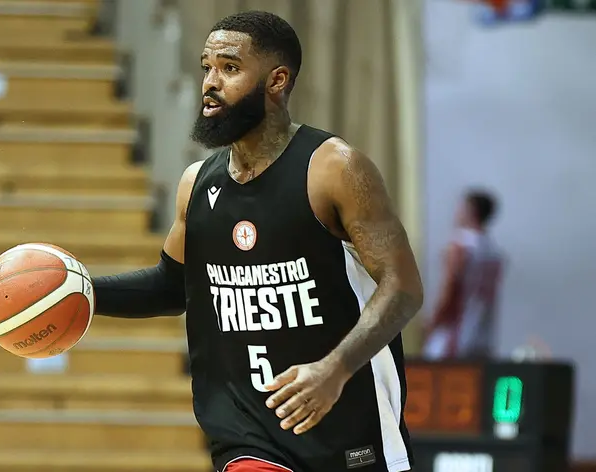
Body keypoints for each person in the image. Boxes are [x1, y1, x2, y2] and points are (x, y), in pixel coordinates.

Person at [90, 11, 423, 472]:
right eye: (206, 67)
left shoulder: (334, 169)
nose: (210, 82)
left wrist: (334, 369)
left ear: (277, 80)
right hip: (247, 432)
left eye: (229, 69)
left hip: (345, 422)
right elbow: (173, 286)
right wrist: (79, 293)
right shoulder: (197, 184)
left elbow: (403, 287)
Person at [423, 189, 503, 360]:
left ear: (470, 211)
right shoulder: (493, 250)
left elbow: (451, 288)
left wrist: (433, 322)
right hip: (483, 337)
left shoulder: (460, 245)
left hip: (455, 337)